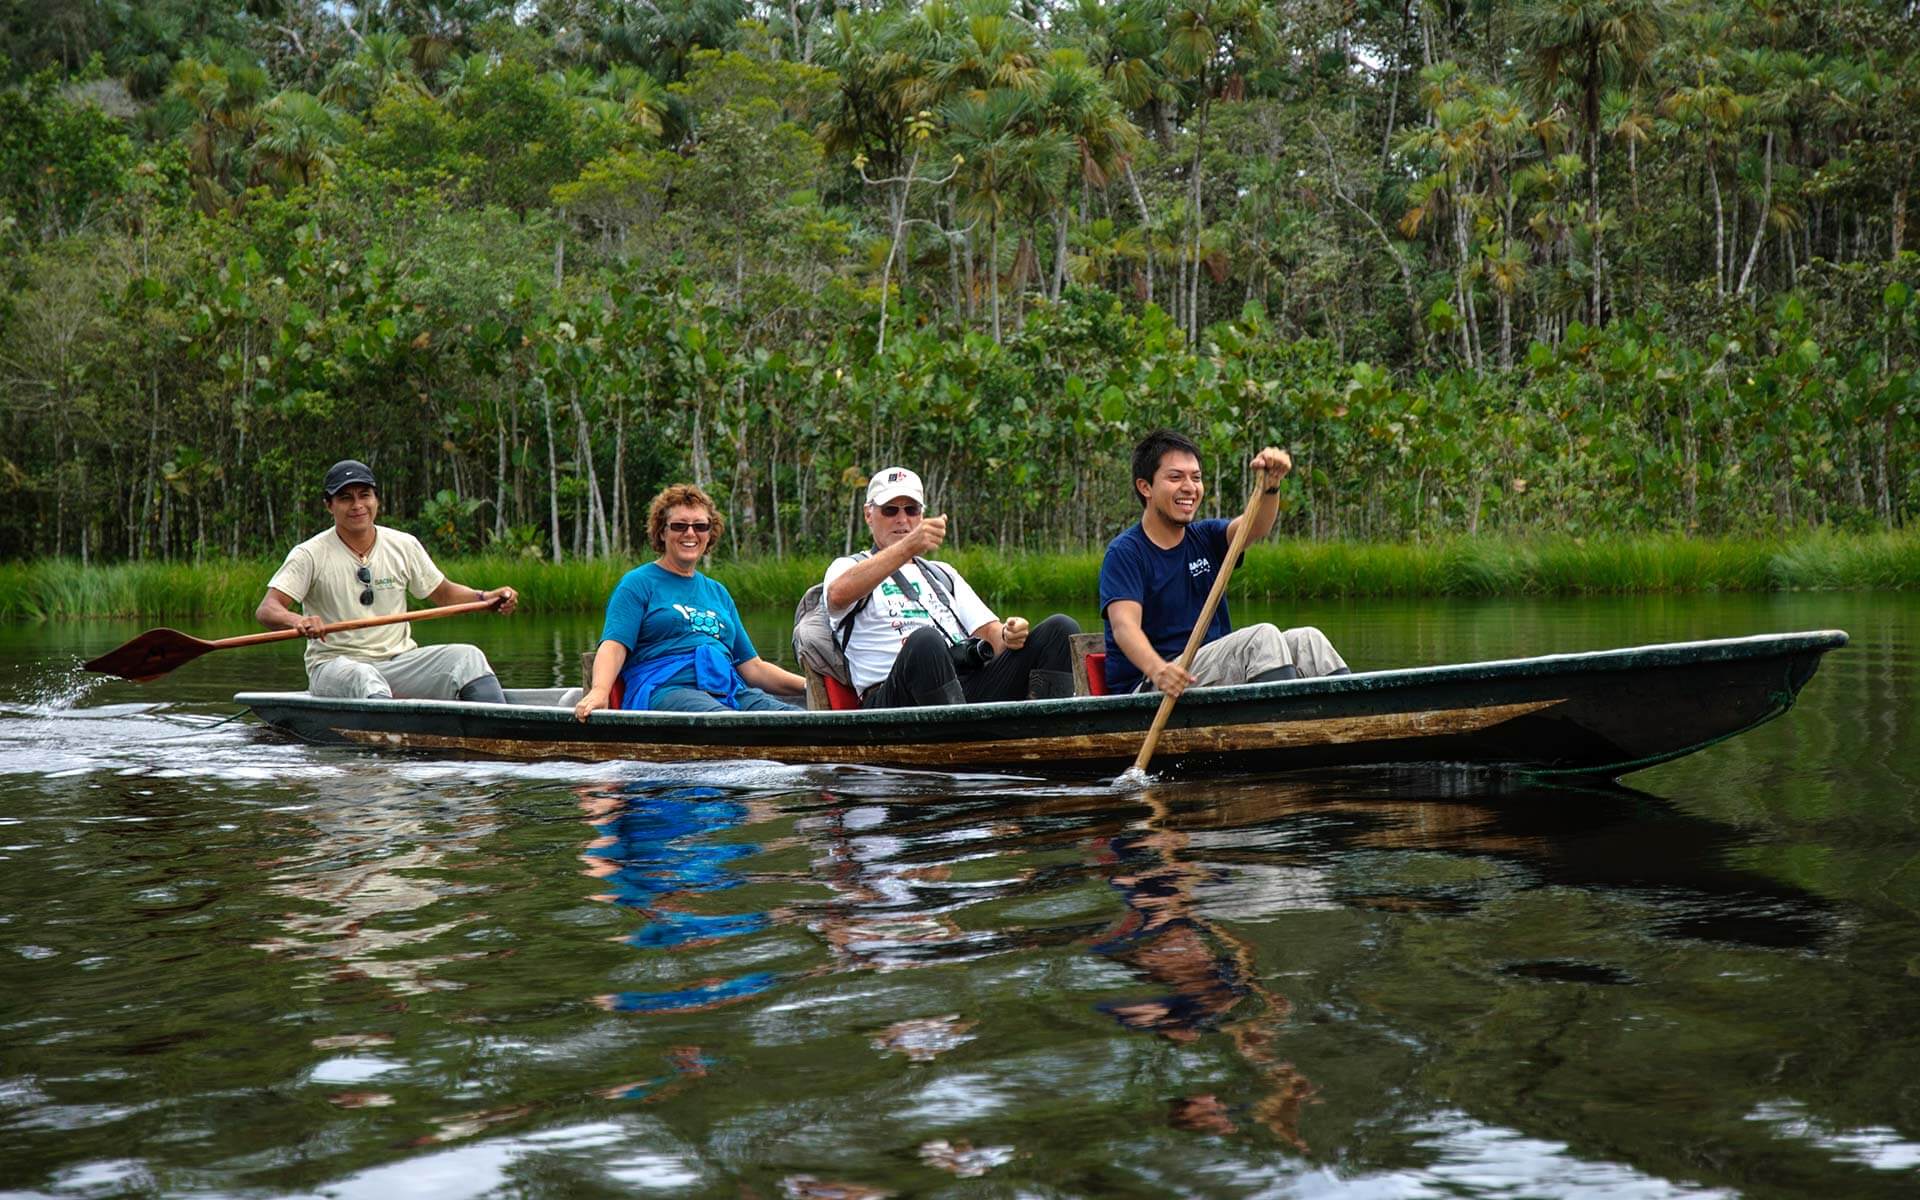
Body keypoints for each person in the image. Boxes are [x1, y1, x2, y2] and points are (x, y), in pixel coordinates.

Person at [1100, 430, 1348, 697]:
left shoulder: (1205, 537)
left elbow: (1256, 527)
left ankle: (1355, 725)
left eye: (1195, 477)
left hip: (1210, 673)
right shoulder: (1126, 552)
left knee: (1309, 641)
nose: (1189, 487)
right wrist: (1158, 669)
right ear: (1145, 486)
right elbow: (1124, 626)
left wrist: (1270, 485)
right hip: (1154, 687)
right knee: (1261, 637)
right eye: (1175, 477)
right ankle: (1283, 728)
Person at [255, 459, 519, 702]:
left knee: (468, 657)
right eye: (345, 498)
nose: (357, 505)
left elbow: (444, 594)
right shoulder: (309, 554)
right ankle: (390, 741)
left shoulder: (404, 544)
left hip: (399, 661)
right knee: (364, 677)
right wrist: (298, 621)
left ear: (376, 500)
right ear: (329, 505)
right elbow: (268, 609)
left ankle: (502, 733)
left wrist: (486, 597)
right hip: (336, 666)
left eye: (364, 495)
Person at [824, 466, 1079, 708]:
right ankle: (957, 739)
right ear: (869, 514)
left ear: (921, 515)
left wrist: (1009, 634)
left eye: (911, 510)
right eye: (890, 510)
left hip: (961, 687)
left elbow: (991, 634)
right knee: (925, 641)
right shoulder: (848, 566)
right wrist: (908, 547)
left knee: (1060, 628)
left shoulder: (942, 573)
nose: (902, 519)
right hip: (894, 697)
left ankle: (1045, 728)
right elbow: (837, 596)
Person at [574, 484, 804, 719]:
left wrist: (807, 686)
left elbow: (753, 668)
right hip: (665, 690)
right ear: (662, 532)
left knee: (794, 718)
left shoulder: (718, 593)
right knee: (723, 721)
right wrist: (599, 691)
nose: (690, 533)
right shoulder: (637, 584)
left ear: (709, 533)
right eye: (680, 526)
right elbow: (614, 645)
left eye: (700, 526)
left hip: (728, 691)